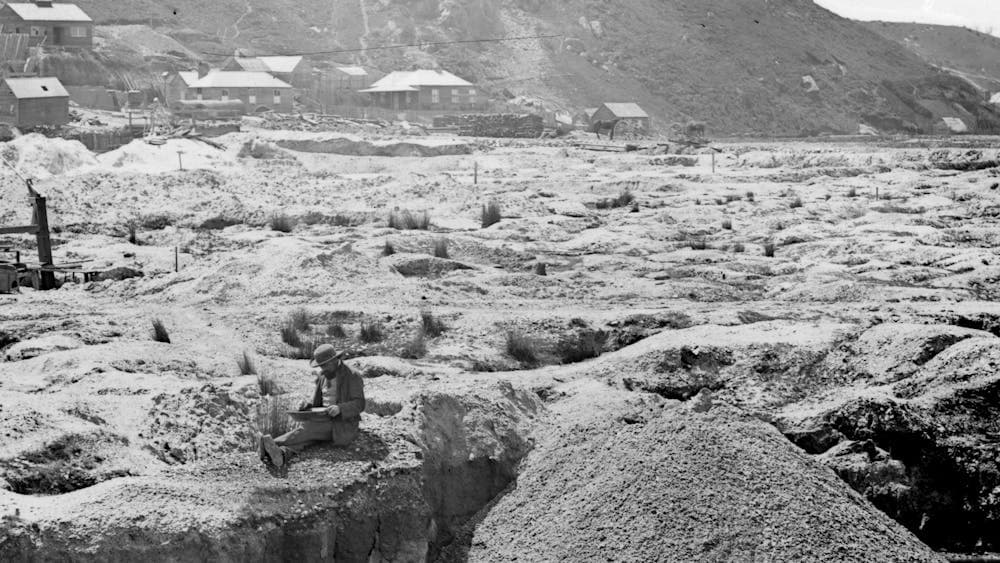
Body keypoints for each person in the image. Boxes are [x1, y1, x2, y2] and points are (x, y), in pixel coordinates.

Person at [259, 344, 365, 468]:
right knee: (307, 439)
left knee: (308, 428)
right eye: (320, 365)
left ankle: (269, 444)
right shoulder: (323, 376)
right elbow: (319, 403)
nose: (322, 369)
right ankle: (281, 454)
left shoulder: (352, 375)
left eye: (325, 365)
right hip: (324, 419)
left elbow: (360, 404)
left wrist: (340, 408)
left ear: (335, 360)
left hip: (343, 423)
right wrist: (307, 406)